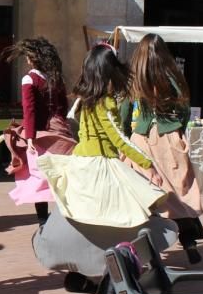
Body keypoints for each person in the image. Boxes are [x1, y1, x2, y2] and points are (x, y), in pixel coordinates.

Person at [37, 43, 166, 229]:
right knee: (131, 212)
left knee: (88, 217)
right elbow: (119, 139)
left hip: (80, 163)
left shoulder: (83, 100)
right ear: (111, 72)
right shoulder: (105, 102)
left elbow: (77, 127)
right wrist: (148, 164)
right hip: (101, 165)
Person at [121, 33, 203, 263]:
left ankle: (150, 249)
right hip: (170, 137)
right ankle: (189, 241)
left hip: (142, 139)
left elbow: (125, 112)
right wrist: (179, 129)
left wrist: (126, 136)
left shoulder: (134, 76)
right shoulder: (172, 74)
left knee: (147, 194)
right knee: (178, 194)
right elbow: (184, 106)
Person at [2, 37, 76, 226]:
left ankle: (43, 220)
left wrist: (29, 138)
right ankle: (63, 217)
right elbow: (63, 107)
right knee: (60, 175)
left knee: (38, 177)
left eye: (27, 56)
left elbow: (30, 111)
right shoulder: (55, 78)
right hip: (59, 131)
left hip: (41, 134)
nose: (26, 59)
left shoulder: (29, 79)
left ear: (33, 58)